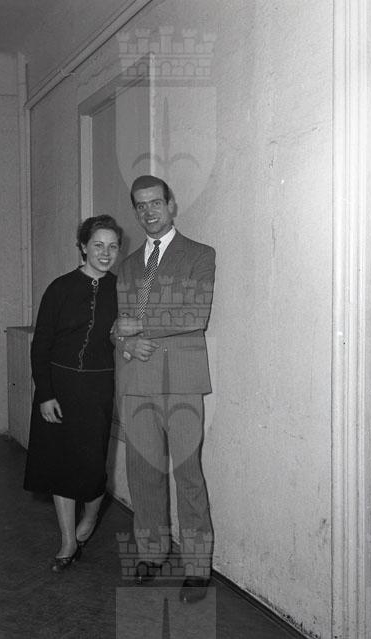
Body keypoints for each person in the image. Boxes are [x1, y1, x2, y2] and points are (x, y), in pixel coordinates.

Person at [114, 175, 215, 603]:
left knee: (187, 474)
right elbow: (117, 326)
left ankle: (197, 567)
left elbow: (196, 315)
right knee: (143, 474)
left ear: (171, 205)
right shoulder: (126, 265)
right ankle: (151, 553)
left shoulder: (199, 255)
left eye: (155, 203)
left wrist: (138, 328)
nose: (148, 212)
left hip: (183, 381)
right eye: (140, 206)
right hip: (139, 380)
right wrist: (125, 341)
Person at [23, 214, 122, 572]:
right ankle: (67, 540)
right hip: (59, 390)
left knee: (93, 467)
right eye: (98, 245)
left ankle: (91, 516)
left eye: (112, 246)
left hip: (98, 389)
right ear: (82, 247)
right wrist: (45, 394)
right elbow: (41, 345)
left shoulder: (122, 290)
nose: (105, 253)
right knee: (60, 465)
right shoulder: (60, 288)